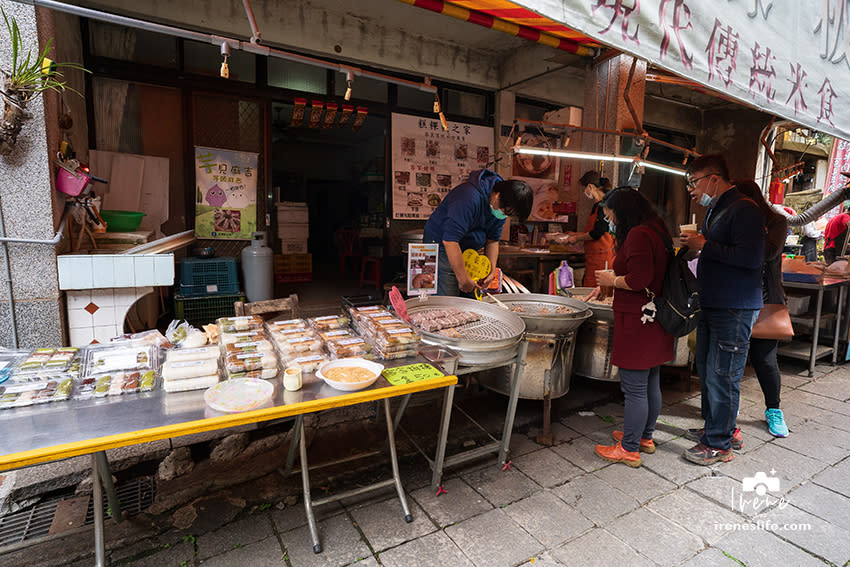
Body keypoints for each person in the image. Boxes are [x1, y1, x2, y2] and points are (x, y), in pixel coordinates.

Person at [678, 155, 766, 465]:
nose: (690, 189)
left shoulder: (744, 209)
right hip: (714, 302)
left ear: (714, 179)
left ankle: (720, 444)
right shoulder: (716, 209)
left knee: (723, 374)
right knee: (708, 370)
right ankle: (716, 429)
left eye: (694, 181)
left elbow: (751, 259)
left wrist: (705, 245)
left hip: (734, 306)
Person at [592, 187, 675, 468]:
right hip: (653, 319)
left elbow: (639, 279)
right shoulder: (656, 228)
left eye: (610, 216)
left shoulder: (639, 234)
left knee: (635, 389)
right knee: (651, 380)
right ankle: (643, 437)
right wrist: (607, 284)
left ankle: (628, 448)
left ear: (623, 212)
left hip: (638, 321)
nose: (610, 222)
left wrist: (610, 280)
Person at [423, 170, 532, 296]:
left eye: (510, 215)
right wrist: (463, 278)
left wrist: (491, 272)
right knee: (448, 299)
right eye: (506, 211)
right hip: (441, 244)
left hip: (467, 250)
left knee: (471, 295)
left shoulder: (500, 209)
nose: (505, 215)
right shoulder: (469, 197)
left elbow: (492, 240)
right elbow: (450, 241)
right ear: (497, 196)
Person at [737, 181, 790, 437]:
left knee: (765, 360)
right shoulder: (734, 222)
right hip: (736, 300)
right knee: (733, 359)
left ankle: (774, 410)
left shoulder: (776, 222)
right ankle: (728, 408)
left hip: (767, 301)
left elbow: (769, 252)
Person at [564, 171, 615, 287]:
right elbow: (594, 230)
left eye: (584, 189)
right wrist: (576, 234)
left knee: (596, 292)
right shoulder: (597, 206)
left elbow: (597, 233)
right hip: (594, 257)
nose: (584, 192)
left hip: (602, 259)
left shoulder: (604, 206)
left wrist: (576, 238)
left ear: (590, 187)